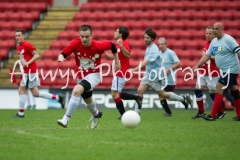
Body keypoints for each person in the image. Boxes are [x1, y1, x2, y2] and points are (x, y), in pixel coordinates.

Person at [57, 24, 121, 129]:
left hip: (94, 75)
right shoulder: (75, 43)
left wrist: (117, 62)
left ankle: (65, 119)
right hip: (81, 75)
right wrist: (61, 57)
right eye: (82, 36)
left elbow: (113, 46)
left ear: (92, 36)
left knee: (76, 90)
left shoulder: (98, 46)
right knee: (87, 99)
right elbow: (63, 53)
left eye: (87, 36)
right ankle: (96, 114)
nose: (84, 39)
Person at [130, 28, 193, 112]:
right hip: (148, 74)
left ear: (152, 39)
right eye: (145, 37)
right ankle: (136, 114)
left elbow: (145, 62)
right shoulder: (149, 47)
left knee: (162, 94)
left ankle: (183, 98)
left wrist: (134, 69)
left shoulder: (154, 49)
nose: (145, 39)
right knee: (139, 90)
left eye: (147, 38)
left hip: (155, 76)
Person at [193, 22, 240, 121]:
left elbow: (238, 52)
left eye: (216, 29)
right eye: (213, 29)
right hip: (223, 70)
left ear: (222, 29)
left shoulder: (229, 39)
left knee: (218, 88)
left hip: (231, 69)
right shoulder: (214, 41)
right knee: (234, 92)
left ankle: (213, 115)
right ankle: (239, 116)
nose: (214, 31)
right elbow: (207, 55)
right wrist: (198, 65)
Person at [14, 29, 64, 118]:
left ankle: (21, 113)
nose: (17, 37)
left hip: (31, 72)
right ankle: (58, 98)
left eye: (19, 35)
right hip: (27, 72)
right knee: (36, 94)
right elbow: (24, 60)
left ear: (23, 36)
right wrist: (22, 65)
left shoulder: (27, 45)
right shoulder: (19, 47)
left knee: (21, 91)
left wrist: (28, 63)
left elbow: (36, 55)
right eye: (16, 36)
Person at [104, 26, 142, 120]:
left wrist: (121, 45)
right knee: (116, 93)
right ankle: (136, 98)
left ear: (120, 34)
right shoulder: (117, 45)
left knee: (114, 94)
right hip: (118, 72)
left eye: (116, 31)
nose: (114, 32)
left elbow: (128, 55)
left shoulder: (124, 43)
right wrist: (103, 50)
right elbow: (112, 57)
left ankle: (124, 115)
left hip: (121, 72)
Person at [192, 26, 226, 119]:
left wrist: (208, 56)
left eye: (210, 34)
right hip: (203, 71)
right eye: (206, 33)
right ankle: (201, 112)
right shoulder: (207, 43)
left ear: (214, 34)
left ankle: (221, 112)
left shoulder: (217, 45)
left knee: (212, 93)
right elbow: (204, 57)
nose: (208, 35)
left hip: (212, 72)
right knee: (197, 90)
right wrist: (197, 65)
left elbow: (219, 58)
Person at [157, 37, 181, 117]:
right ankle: (168, 113)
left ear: (166, 44)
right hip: (162, 80)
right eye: (159, 44)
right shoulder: (158, 53)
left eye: (162, 44)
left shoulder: (170, 53)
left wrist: (168, 69)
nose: (160, 46)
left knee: (169, 98)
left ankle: (184, 98)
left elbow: (178, 63)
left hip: (170, 79)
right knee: (161, 95)